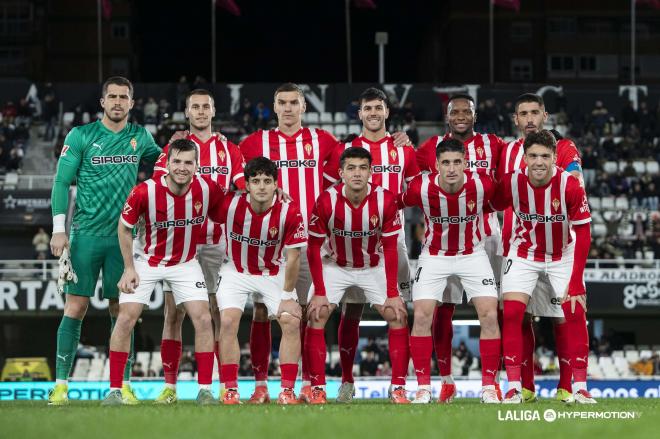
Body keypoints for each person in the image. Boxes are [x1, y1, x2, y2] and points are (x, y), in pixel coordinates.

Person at [48, 76, 162, 406]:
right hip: (85, 236)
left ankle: (122, 385)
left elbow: (167, 167)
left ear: (131, 102)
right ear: (102, 102)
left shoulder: (140, 137)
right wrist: (59, 229)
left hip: (124, 238)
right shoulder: (81, 136)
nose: (117, 102)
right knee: (76, 306)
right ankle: (61, 385)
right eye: (111, 96)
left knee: (122, 310)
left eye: (123, 97)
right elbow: (61, 182)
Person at [102, 139, 221, 406]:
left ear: (196, 166)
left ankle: (205, 390)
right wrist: (129, 268)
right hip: (146, 259)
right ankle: (114, 390)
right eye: (176, 161)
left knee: (203, 318)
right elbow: (123, 229)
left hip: (185, 262)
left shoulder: (207, 189)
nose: (182, 167)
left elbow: (230, 209)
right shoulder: (144, 192)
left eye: (188, 162)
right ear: (166, 164)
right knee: (126, 318)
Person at [323, 87, 419, 402]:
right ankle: (347, 381)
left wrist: (393, 208)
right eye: (368, 108)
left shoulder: (403, 148)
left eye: (379, 107)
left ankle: (400, 385)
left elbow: (415, 190)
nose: (374, 113)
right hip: (350, 243)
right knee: (351, 312)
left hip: (392, 242)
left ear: (387, 112)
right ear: (360, 113)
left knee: (399, 310)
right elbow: (328, 193)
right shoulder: (346, 148)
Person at [151, 89, 245, 404]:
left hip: (219, 243)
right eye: (195, 107)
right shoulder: (173, 149)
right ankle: (170, 387)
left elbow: (244, 190)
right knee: (173, 313)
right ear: (187, 112)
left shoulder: (229, 150)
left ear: (213, 111)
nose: (201, 111)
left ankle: (217, 384)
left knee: (217, 313)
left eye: (206, 106)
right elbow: (158, 192)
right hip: (180, 244)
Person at [491, 130, 595, 404]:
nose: (538, 162)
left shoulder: (570, 186)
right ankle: (514, 386)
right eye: (533, 156)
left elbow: (584, 234)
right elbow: (491, 202)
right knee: (512, 312)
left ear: (554, 159)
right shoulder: (512, 181)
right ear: (524, 158)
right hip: (524, 252)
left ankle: (581, 387)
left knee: (574, 311)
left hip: (562, 254)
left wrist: (575, 282)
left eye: (545, 156)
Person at [415, 94, 507, 402]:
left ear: (475, 115)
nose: (460, 116)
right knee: (440, 311)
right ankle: (444, 380)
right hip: (439, 243)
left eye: (466, 111)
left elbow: (509, 185)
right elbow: (408, 186)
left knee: (498, 310)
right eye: (455, 111)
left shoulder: (494, 144)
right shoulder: (429, 149)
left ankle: (499, 382)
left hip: (485, 236)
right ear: (446, 116)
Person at [305, 147, 410, 405]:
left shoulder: (385, 200)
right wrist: (319, 291)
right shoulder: (326, 200)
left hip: (373, 265)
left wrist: (393, 294)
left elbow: (390, 248)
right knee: (316, 314)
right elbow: (313, 248)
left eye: (363, 168)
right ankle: (319, 388)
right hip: (336, 265)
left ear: (371, 172)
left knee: (397, 315)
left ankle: (398, 388)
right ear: (341, 173)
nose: (357, 173)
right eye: (351, 168)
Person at [214, 157, 307, 405]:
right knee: (228, 321)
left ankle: (287, 391)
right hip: (235, 270)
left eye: (267, 181)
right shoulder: (229, 203)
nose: (262, 187)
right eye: (255, 181)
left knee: (290, 320)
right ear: (246, 185)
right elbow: (198, 191)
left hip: (272, 272)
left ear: (277, 184)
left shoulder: (290, 210)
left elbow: (294, 257)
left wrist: (287, 297)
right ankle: (231, 391)